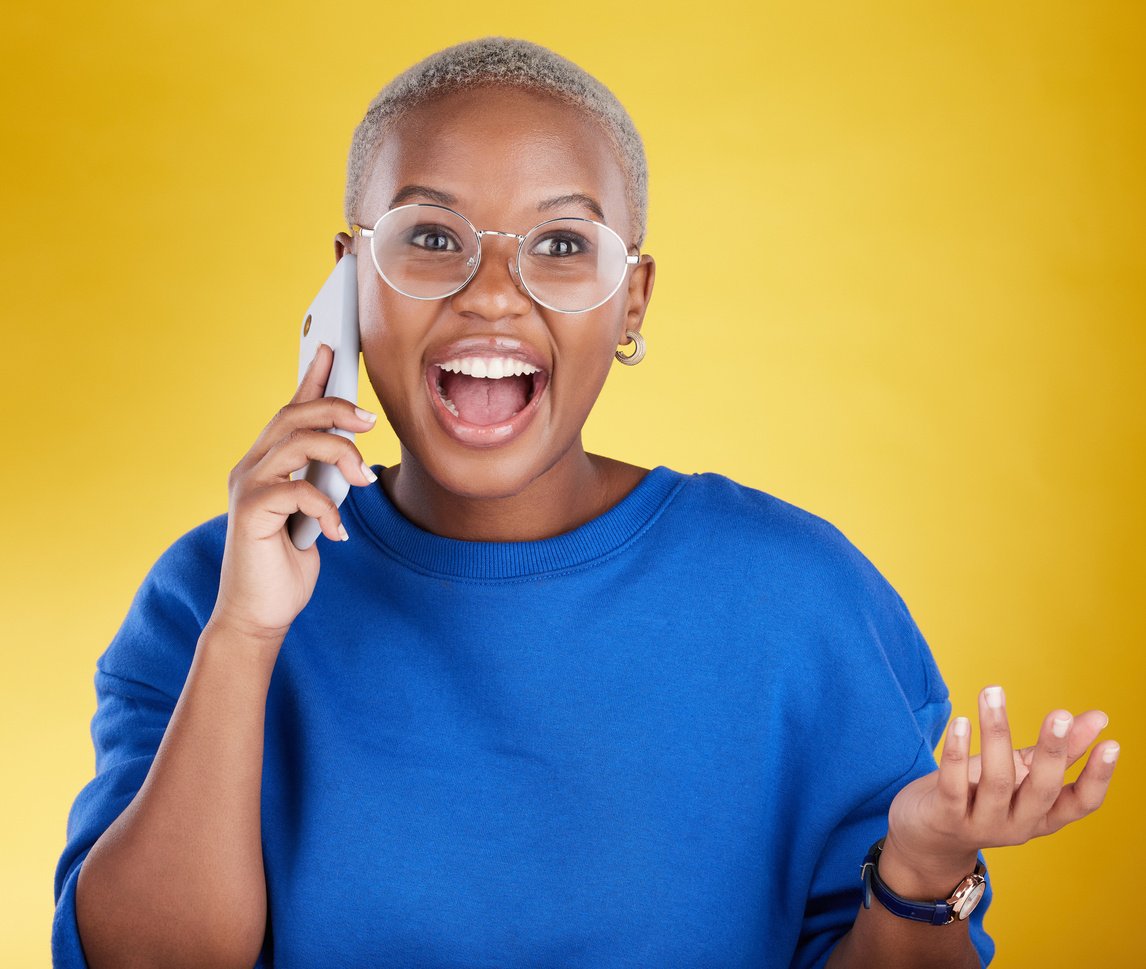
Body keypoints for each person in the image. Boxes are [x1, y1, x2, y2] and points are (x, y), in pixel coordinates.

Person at [52, 37, 1118, 969]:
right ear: (348, 285)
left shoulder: (795, 599)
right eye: (431, 237)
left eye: (563, 246)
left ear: (632, 301)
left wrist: (922, 872)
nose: (493, 292)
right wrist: (244, 634)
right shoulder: (211, 594)